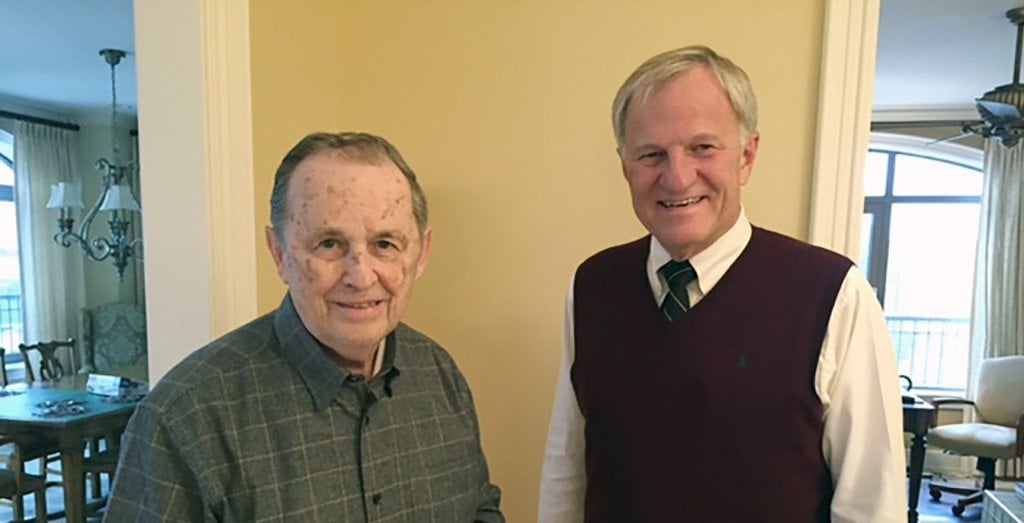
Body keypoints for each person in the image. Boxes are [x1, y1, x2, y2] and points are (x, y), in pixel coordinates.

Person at [538, 46, 906, 522]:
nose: (677, 176)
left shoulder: (832, 294)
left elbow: (871, 502)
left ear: (747, 156)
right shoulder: (592, 287)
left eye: (702, 148)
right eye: (651, 154)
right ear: (625, 164)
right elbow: (567, 466)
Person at [105, 132, 504, 522]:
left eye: (385, 244)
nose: (361, 277)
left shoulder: (441, 375)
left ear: (421, 255)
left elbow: (480, 511)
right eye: (329, 244)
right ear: (279, 253)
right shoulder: (184, 419)